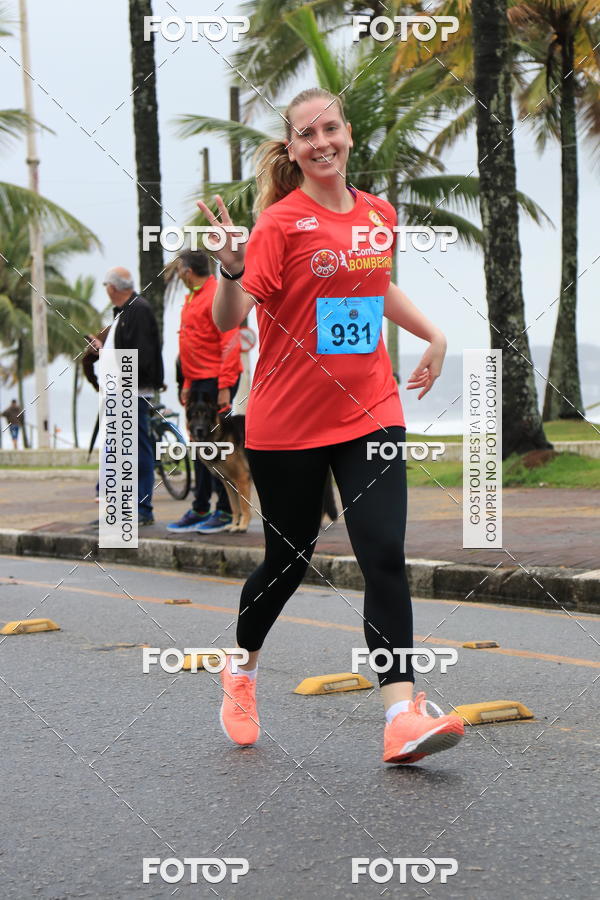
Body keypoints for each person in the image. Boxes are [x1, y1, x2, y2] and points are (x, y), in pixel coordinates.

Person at [197, 87, 465, 766]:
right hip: (286, 424)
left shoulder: (379, 212)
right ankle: (243, 668)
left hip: (371, 409)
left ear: (348, 134)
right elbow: (230, 318)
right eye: (305, 135)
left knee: (383, 554)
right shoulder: (280, 225)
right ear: (291, 150)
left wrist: (433, 331)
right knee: (288, 563)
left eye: (330, 129)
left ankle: (401, 714)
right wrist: (229, 267)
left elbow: (374, 284)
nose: (321, 143)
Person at [167, 249, 242, 534]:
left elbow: (230, 340)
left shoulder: (215, 293)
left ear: (187, 271)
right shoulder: (192, 298)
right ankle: (201, 506)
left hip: (215, 380)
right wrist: (186, 383)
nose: (179, 277)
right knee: (198, 446)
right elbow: (189, 344)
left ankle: (224, 509)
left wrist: (224, 387)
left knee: (218, 446)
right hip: (196, 382)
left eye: (179, 271)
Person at [97, 268, 164, 526]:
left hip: (132, 392)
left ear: (113, 288)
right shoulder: (126, 311)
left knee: (138, 450)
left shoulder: (138, 310)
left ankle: (142, 508)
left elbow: (142, 355)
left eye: (107, 286)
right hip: (122, 391)